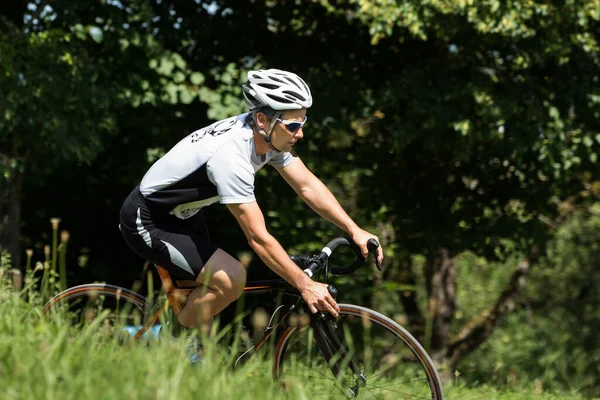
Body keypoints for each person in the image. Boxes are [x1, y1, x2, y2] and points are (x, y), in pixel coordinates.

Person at [118, 68, 384, 342]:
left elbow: (306, 185)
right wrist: (305, 284)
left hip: (183, 214)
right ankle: (163, 346)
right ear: (262, 119)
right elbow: (257, 238)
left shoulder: (267, 138)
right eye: (293, 125)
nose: (301, 133)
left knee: (200, 300)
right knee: (231, 280)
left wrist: (354, 229)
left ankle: (177, 344)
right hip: (148, 219)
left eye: (304, 122)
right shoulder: (232, 158)